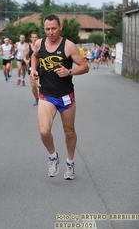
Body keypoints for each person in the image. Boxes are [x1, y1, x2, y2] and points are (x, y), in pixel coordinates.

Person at [30, 13, 89, 180]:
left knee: (69, 132)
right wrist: (33, 70)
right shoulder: (39, 43)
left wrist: (69, 71)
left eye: (54, 28)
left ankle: (70, 162)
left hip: (65, 95)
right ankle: (53, 156)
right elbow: (35, 56)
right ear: (44, 29)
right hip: (46, 95)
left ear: (60, 27)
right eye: (47, 29)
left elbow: (85, 66)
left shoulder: (68, 46)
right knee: (44, 131)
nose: (51, 32)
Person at [23, 31, 40, 105]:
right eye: (33, 37)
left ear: (38, 38)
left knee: (38, 84)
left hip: (41, 67)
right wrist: (26, 61)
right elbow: (24, 56)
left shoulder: (41, 46)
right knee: (33, 85)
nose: (34, 39)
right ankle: (37, 98)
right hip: (32, 67)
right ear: (31, 38)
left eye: (36, 37)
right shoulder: (28, 47)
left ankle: (44, 98)